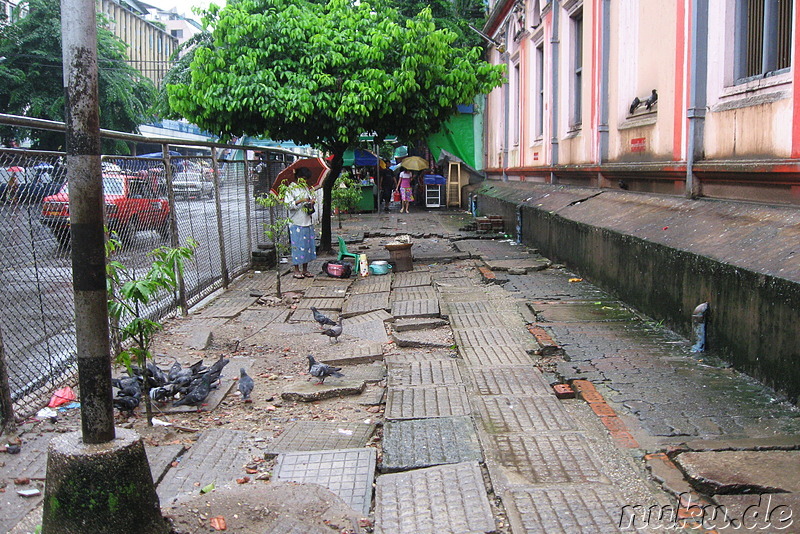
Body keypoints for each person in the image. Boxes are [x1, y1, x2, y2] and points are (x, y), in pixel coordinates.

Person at [284, 168, 316, 279]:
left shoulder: (306, 188)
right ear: (298, 177)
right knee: (297, 246)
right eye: (304, 179)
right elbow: (288, 205)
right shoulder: (291, 189)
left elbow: (309, 199)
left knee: (307, 246)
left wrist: (311, 201)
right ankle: (296, 270)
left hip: (307, 220)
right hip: (296, 222)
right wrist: (301, 200)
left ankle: (305, 269)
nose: (305, 181)